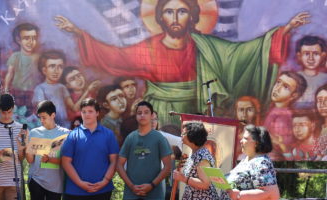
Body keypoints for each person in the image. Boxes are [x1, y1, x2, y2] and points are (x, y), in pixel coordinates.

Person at [55, 3, 309, 126]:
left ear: (193, 16)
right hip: (160, 112)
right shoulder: (148, 49)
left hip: (197, 110)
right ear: (160, 17)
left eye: (182, 11)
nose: (175, 18)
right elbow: (114, 56)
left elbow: (240, 53)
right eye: (169, 11)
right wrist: (79, 34)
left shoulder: (205, 45)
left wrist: (284, 30)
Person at [263, 71, 307, 156]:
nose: (277, 88)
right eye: (278, 82)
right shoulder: (274, 109)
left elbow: (279, 149)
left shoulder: (284, 118)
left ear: (294, 95)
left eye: (286, 87)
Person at [3, 22, 40, 109]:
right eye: (26, 38)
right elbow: (10, 74)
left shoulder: (38, 58)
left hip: (33, 92)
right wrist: (6, 91)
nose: (31, 42)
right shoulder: (15, 56)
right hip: (17, 91)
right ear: (18, 40)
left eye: (34, 38)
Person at [32, 50, 73, 128]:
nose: (56, 71)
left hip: (65, 125)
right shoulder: (40, 88)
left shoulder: (62, 87)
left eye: (60, 67)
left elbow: (72, 107)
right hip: (49, 126)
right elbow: (42, 111)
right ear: (44, 70)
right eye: (52, 66)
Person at [293, 35, 327, 109]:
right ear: (299, 56)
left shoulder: (325, 79)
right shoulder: (294, 78)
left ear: (323, 56)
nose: (311, 58)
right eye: (306, 54)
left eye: (315, 54)